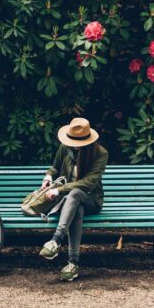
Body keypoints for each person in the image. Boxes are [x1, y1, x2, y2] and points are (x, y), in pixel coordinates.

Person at [39, 117, 108, 281]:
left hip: (91, 200)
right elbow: (55, 167)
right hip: (71, 202)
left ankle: (56, 240)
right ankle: (73, 264)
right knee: (76, 206)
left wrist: (59, 190)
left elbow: (87, 183)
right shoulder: (66, 147)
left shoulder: (100, 154)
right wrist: (48, 176)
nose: (73, 144)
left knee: (76, 193)